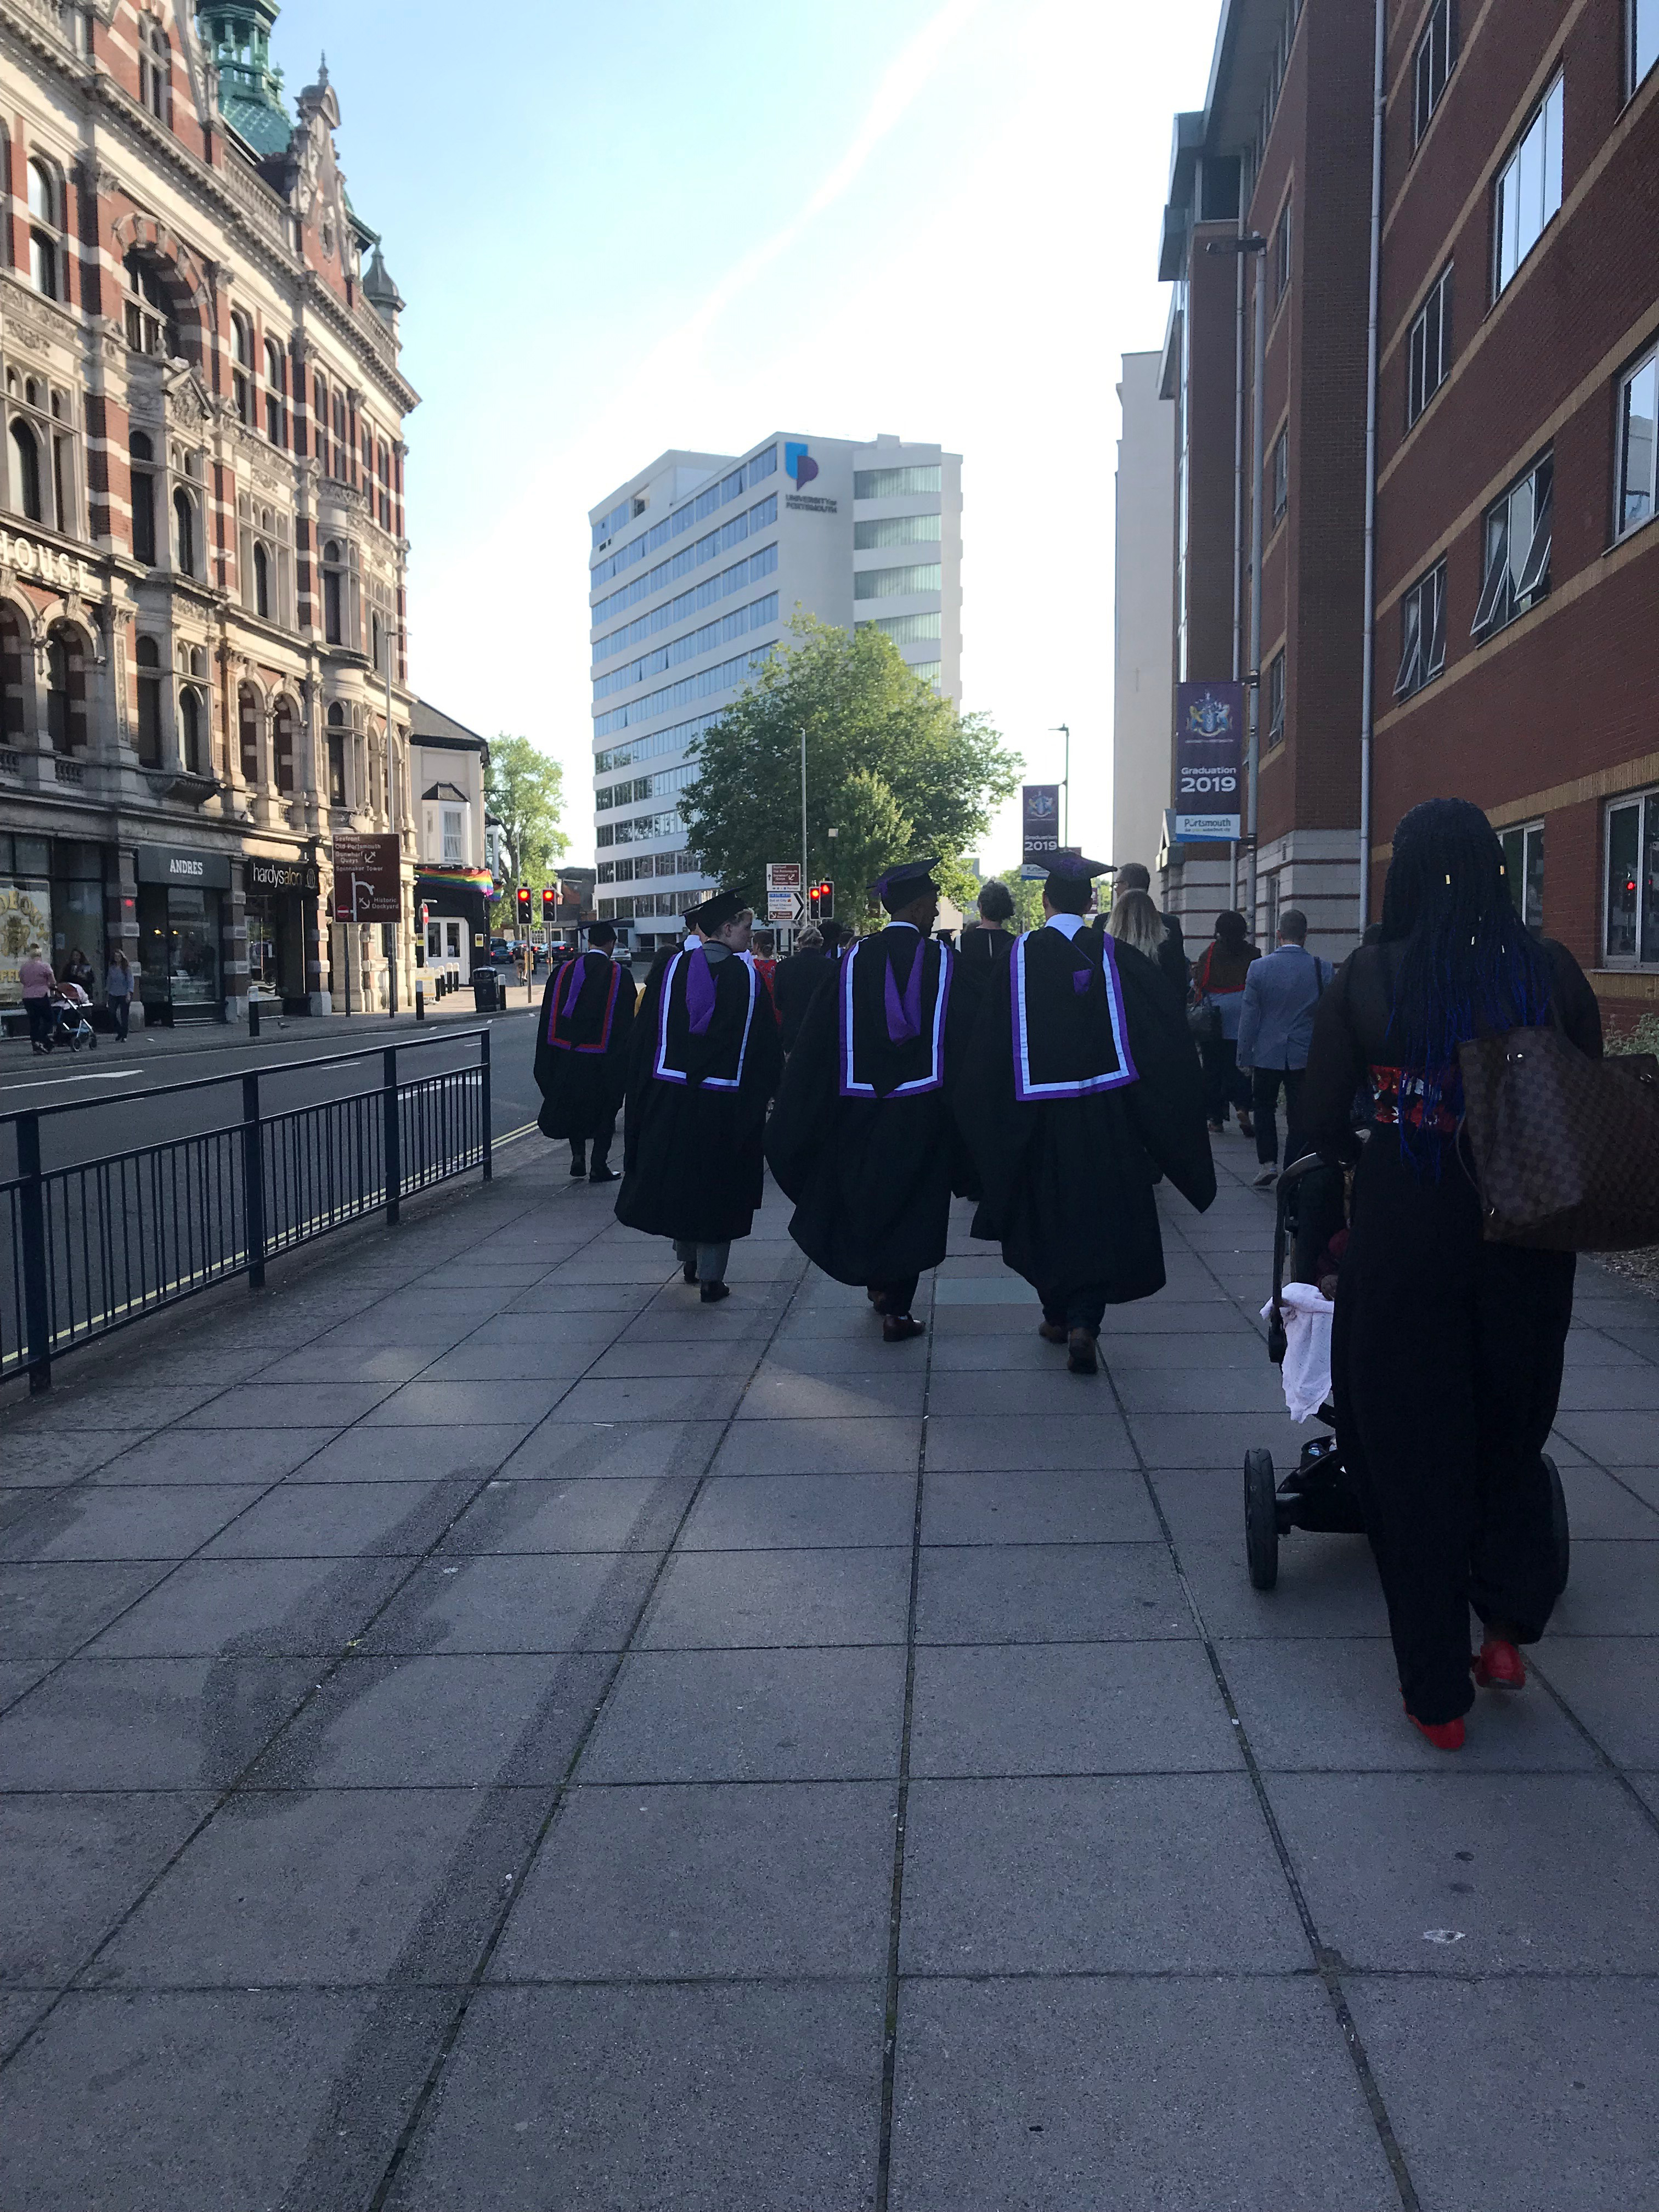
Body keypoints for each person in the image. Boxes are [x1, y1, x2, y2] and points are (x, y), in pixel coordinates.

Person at [1299, 798, 1603, 1752]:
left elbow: (1315, 1124)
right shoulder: (1547, 970)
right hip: (1523, 1225)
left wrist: (1337, 1209)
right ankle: (1504, 1626)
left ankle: (1435, 1694)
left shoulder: (1368, 974)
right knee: (1508, 1428)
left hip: (1407, 1224)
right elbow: (1586, 1091)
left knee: (1407, 1446)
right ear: (1492, 870)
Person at [956, 853, 1216, 1373]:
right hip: (1106, 1115)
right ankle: (1084, 1323)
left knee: (1047, 1214)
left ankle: (1056, 1313)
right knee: (1098, 1215)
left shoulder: (1018, 957)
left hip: (1039, 1119)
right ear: (1091, 901)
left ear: (1045, 901)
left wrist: (985, 1115)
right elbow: (1160, 1032)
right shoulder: (1119, 957)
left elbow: (990, 1043)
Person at [766, 856, 969, 1344]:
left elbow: (817, 1042)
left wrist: (801, 1108)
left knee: (871, 1198)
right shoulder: (948, 964)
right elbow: (968, 1040)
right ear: (916, 908)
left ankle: (878, 1285)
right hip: (924, 1111)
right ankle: (897, 1308)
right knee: (913, 1206)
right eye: (932, 904)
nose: (935, 912)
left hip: (860, 1110)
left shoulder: (850, 962)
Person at [616, 888, 782, 1301]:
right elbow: (764, 1048)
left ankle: (687, 1260)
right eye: (746, 927)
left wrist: (643, 1098)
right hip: (726, 1107)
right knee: (719, 1188)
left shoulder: (669, 969)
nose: (751, 934)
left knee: (681, 1180)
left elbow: (643, 1040)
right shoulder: (749, 979)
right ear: (726, 928)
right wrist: (767, 1096)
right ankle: (712, 1278)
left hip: (671, 1101)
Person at [1235, 907, 1333, 1187]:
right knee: (1299, 1112)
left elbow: (1249, 1015)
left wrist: (1244, 1054)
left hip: (1267, 1051)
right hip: (1305, 1052)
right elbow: (1329, 1015)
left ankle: (1268, 1162)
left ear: (1278, 934)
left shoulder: (1259, 968)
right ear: (1306, 935)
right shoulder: (1322, 968)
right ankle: (1293, 1165)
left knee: (1263, 1106)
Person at [533, 919, 636, 1183]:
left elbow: (548, 1017)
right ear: (611, 944)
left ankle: (577, 1156)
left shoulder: (562, 971)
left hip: (567, 1057)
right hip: (603, 1061)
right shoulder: (620, 975)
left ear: (589, 943)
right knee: (606, 1112)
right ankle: (598, 1166)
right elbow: (627, 1023)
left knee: (574, 1108)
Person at [1192, 910, 1259, 1138]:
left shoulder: (1210, 953)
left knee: (1212, 1068)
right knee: (1242, 1067)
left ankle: (1215, 1119)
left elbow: (1200, 982)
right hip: (1244, 1016)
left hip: (1214, 1019)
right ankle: (1242, 1107)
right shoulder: (1253, 954)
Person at [1108, 862, 1187, 996]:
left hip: (1118, 1001)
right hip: (1159, 1000)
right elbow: (1177, 975)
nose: (1115, 889)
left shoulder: (1103, 923)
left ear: (1126, 885)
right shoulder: (1170, 923)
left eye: (1117, 884)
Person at [773, 924, 834, 1052]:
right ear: (820, 943)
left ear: (800, 942)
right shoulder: (831, 966)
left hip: (792, 1028)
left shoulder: (784, 966)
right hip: (821, 1029)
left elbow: (778, 1001)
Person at [955, 878, 1017, 1005]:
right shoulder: (1015, 944)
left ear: (981, 907)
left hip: (970, 1009)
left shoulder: (961, 942)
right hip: (1004, 1009)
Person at [19, 944, 55, 1053]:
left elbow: (22, 981)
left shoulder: (24, 967)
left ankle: (35, 1045)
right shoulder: (45, 966)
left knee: (34, 1021)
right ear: (40, 955)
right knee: (49, 1019)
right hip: (41, 995)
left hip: (27, 997)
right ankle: (41, 1039)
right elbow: (53, 982)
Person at [105, 949, 134, 1041]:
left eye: (119, 956)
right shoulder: (112, 968)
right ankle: (120, 1031)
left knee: (124, 1015)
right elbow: (109, 981)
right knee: (111, 1013)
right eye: (116, 956)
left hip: (124, 993)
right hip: (113, 993)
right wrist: (107, 992)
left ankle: (124, 1035)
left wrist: (129, 993)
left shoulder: (126, 969)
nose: (117, 958)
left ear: (122, 957)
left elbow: (130, 981)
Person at [749, 928, 779, 1009]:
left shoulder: (752, 964)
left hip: (758, 1004)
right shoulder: (776, 965)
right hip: (774, 1005)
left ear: (757, 945)